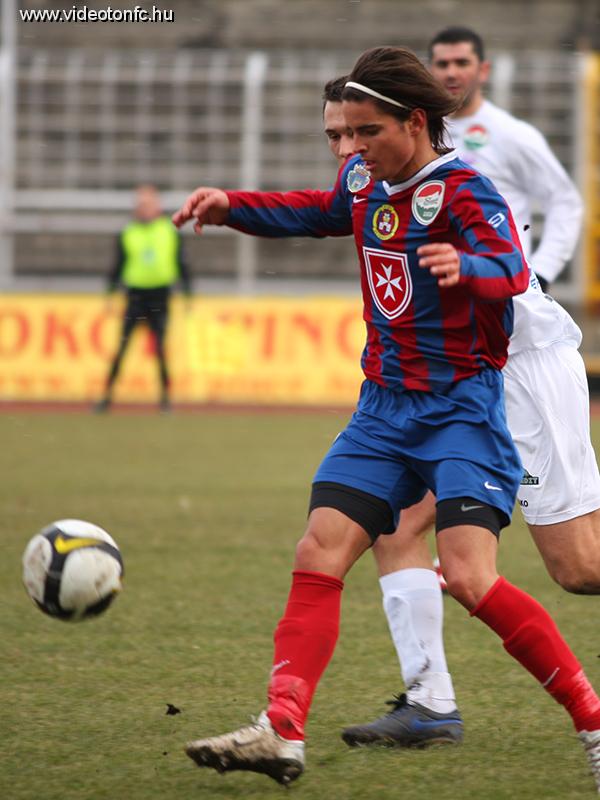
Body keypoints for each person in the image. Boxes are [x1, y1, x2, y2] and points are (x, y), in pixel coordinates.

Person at [172, 46, 600, 791]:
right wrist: (231, 207)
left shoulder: (467, 192)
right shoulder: (364, 180)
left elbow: (510, 268)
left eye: (365, 132)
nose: (350, 149)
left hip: (462, 410)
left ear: (415, 122)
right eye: (339, 134)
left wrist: (469, 268)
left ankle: (593, 724)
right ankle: (282, 728)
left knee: (475, 576)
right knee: (320, 550)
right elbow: (319, 211)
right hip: (381, 410)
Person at [340, 28, 600, 756]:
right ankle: (430, 704)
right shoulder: (396, 167)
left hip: (522, 366)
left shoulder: (505, 143)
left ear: (480, 69)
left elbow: (564, 203)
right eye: (442, 63)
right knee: (397, 528)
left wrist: (535, 272)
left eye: (462, 63)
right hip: (459, 382)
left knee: (579, 568)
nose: (453, 72)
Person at [95, 184, 191, 413]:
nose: (145, 208)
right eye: (141, 203)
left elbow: (182, 264)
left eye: (148, 203)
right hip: (135, 296)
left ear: (157, 205)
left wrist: (188, 293)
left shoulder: (169, 231)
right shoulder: (128, 232)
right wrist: (110, 293)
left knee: (160, 348)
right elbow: (118, 265)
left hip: (160, 295)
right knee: (122, 347)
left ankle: (165, 399)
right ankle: (106, 397)